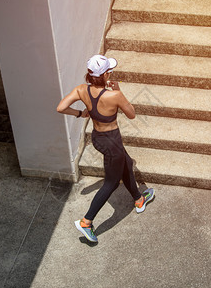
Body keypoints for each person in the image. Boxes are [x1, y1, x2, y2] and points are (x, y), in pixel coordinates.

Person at [56, 54, 155, 243]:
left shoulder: (81, 90)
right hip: (112, 141)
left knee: (126, 162)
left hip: (98, 138)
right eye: (110, 71)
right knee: (110, 182)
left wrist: (80, 113)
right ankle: (86, 221)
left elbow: (61, 108)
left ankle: (138, 198)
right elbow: (132, 115)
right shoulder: (114, 95)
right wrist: (120, 92)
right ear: (105, 75)